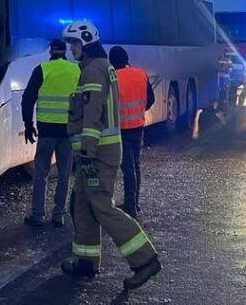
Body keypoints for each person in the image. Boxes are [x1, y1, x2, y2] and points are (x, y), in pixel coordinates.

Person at [59, 21, 162, 290]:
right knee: (83, 203)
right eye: (70, 44)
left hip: (97, 154)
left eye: (75, 43)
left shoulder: (94, 70)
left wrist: (87, 151)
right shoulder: (97, 67)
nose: (71, 48)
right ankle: (85, 260)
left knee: (102, 206)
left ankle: (145, 260)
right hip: (98, 152)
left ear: (87, 42)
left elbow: (93, 113)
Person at [22, 38, 80, 227]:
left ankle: (38, 215)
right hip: (68, 131)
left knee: (41, 173)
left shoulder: (42, 69)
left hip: (46, 130)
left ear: (50, 52)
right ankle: (59, 215)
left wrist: (28, 125)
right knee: (64, 173)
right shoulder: (76, 70)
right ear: (65, 51)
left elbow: (27, 98)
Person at [109, 46, 154, 217]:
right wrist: (140, 111)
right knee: (135, 165)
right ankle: (135, 202)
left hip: (122, 129)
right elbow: (151, 99)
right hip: (138, 127)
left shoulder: (114, 77)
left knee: (127, 168)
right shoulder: (141, 73)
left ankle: (130, 206)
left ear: (112, 61)